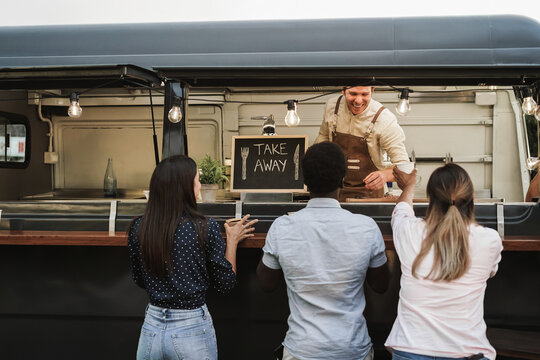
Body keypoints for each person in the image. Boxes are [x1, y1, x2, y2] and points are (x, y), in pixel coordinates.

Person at [257, 142, 390, 360]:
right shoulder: (366, 227)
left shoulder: (282, 227)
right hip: (353, 349)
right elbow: (381, 285)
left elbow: (266, 283)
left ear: (304, 182)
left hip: (301, 351)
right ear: (342, 180)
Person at [127, 155, 257, 360]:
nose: (199, 185)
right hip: (191, 328)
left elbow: (139, 279)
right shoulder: (205, 227)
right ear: (186, 186)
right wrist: (231, 241)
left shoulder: (138, 227)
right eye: (197, 179)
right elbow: (226, 283)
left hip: (151, 327)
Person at [385, 163, 503, 360]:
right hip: (466, 352)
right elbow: (490, 272)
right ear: (472, 198)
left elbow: (402, 210)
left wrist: (408, 187)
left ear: (430, 200)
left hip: (410, 349)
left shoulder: (409, 232)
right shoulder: (489, 240)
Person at [314, 86, 409, 200]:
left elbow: (405, 168)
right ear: (343, 90)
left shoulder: (384, 119)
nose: (358, 100)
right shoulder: (332, 106)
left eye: (364, 94)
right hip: (333, 193)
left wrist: (385, 175)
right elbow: (323, 137)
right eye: (353, 94)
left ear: (372, 91)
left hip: (370, 197)